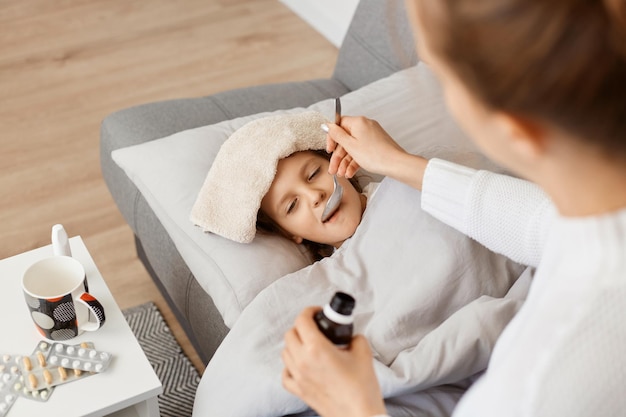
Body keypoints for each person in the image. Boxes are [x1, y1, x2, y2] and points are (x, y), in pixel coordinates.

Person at [281, 0, 626, 416]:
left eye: (443, 79)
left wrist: (355, 405)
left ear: (516, 128)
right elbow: (546, 226)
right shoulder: (595, 216)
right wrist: (397, 162)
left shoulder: (542, 383)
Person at [257, 149, 376, 260]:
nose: (314, 196)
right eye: (292, 205)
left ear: (336, 161)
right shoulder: (333, 277)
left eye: (314, 174)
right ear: (289, 234)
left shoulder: (393, 180)